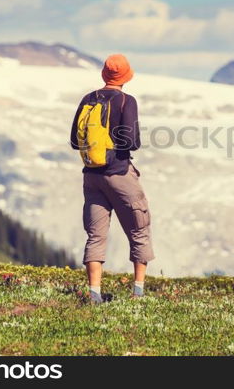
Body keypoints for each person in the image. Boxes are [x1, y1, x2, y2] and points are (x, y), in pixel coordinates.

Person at [69, 54, 154, 303]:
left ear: (104, 75)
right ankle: (138, 292)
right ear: (126, 76)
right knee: (139, 227)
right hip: (118, 174)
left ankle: (94, 294)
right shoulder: (126, 101)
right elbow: (131, 142)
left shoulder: (88, 99)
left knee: (96, 235)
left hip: (91, 176)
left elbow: (75, 140)